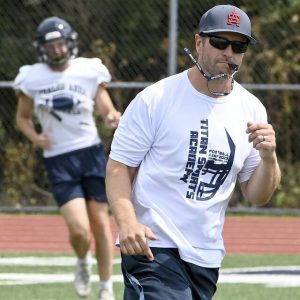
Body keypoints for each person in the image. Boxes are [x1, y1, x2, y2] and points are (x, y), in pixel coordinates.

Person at [106, 4, 281, 300]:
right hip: (153, 246)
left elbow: (258, 195)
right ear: (199, 42)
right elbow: (119, 167)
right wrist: (127, 222)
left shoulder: (251, 108)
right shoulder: (156, 99)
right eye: (220, 42)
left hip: (206, 255)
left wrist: (269, 157)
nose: (229, 52)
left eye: (238, 45)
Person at [14, 16, 120, 300]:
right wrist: (36, 137)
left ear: (70, 43)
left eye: (61, 44)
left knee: (100, 223)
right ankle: (83, 261)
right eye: (51, 47)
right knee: (80, 230)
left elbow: (104, 105)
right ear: (42, 49)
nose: (57, 51)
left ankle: (106, 287)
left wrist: (110, 115)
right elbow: (22, 118)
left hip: (89, 153)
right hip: (58, 159)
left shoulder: (88, 69)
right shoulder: (32, 76)